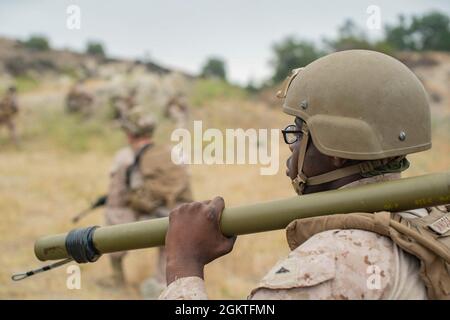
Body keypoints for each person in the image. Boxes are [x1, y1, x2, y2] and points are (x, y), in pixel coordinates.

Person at [159, 50, 450, 300]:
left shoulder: (334, 261)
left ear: (336, 147)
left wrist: (183, 266)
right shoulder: (429, 218)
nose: (292, 148)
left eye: (298, 133)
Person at [102, 107, 193, 298]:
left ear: (129, 135)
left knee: (114, 212)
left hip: (145, 217)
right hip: (176, 220)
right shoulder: (172, 153)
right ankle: (163, 282)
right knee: (169, 237)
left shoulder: (124, 158)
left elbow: (116, 199)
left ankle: (117, 276)